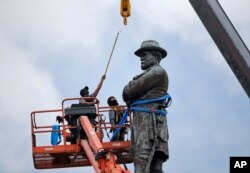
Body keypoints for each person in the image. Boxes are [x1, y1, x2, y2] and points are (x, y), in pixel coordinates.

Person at [122, 40, 170, 173]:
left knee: (143, 162)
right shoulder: (151, 72)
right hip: (150, 123)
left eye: (145, 54)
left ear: (156, 56)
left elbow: (129, 90)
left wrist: (130, 89)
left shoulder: (157, 72)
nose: (141, 58)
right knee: (154, 168)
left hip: (149, 125)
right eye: (141, 55)